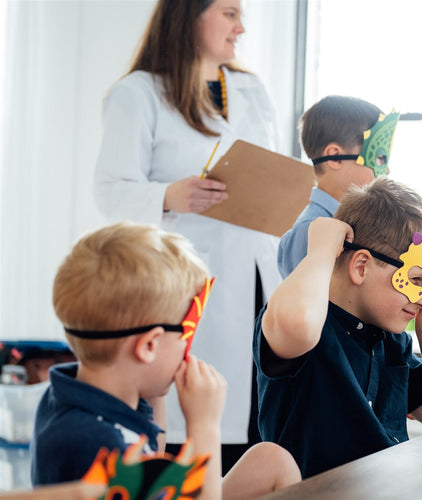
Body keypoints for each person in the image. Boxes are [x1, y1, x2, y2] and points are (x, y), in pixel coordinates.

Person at [93, 0, 281, 472]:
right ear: (188, 15)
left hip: (258, 275)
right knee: (192, 425)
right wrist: (168, 196)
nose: (241, 28)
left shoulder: (251, 90)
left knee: (260, 420)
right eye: (230, 13)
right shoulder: (138, 94)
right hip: (187, 286)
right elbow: (110, 190)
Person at [30, 222, 300, 499]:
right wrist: (204, 426)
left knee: (271, 460)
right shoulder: (98, 444)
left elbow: (153, 455)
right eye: (187, 334)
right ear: (148, 346)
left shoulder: (75, 392)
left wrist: (157, 389)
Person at [254, 177, 422, 478]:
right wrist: (321, 250)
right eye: (416, 280)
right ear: (361, 266)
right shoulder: (306, 324)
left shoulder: (392, 339)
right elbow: (296, 323)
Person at [277, 95, 394, 278]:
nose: (386, 169)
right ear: (335, 157)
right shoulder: (310, 230)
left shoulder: (359, 223)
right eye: (379, 158)